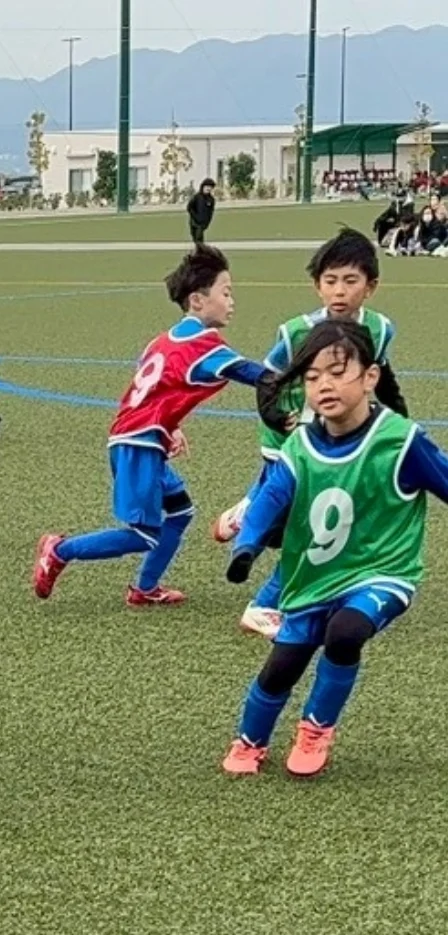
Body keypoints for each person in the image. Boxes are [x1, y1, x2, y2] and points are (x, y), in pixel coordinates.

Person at [221, 320, 448, 778]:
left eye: (338, 372)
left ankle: (316, 727)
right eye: (311, 377)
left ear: (370, 377)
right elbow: (271, 498)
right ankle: (250, 742)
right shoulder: (300, 446)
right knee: (281, 668)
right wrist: (246, 546)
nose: (324, 385)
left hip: (384, 573)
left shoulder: (400, 440)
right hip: (313, 580)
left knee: (345, 632)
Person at [33, 245, 268, 607]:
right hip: (138, 444)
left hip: (140, 438)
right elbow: (256, 376)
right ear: (197, 300)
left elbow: (151, 389)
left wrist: (169, 426)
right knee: (144, 534)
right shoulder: (204, 345)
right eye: (226, 291)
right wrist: (310, 376)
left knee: (180, 511)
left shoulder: (163, 340)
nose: (232, 300)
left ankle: (144, 588)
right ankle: (60, 549)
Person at [213, 228, 408, 639]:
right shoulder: (296, 332)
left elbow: (382, 377)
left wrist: (399, 422)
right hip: (291, 441)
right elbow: (269, 379)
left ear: (371, 287)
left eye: (350, 281)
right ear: (316, 285)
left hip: (341, 442)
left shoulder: (379, 328)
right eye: (330, 280)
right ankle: (263, 602)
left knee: (309, 520)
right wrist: (275, 418)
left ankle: (245, 516)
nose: (340, 291)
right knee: (303, 525)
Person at [186, 178, 217, 244]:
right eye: (207, 186)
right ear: (203, 186)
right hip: (194, 222)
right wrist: (195, 217)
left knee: (199, 239)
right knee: (195, 239)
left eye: (210, 187)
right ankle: (199, 252)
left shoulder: (211, 200)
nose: (208, 188)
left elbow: (210, 213)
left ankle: (201, 252)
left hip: (202, 224)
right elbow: (189, 207)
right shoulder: (197, 197)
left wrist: (207, 223)